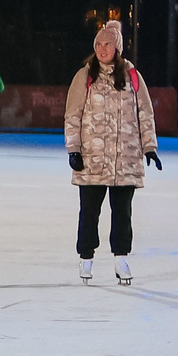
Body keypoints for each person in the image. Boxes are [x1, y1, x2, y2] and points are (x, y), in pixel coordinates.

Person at [65, 20, 159, 284]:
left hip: (125, 158)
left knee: (123, 213)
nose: (102, 48)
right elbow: (73, 115)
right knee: (89, 212)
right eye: (98, 44)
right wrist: (73, 148)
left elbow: (145, 114)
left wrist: (149, 147)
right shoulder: (85, 76)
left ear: (117, 47)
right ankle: (86, 258)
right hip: (92, 158)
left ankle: (121, 259)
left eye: (107, 44)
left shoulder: (132, 77)